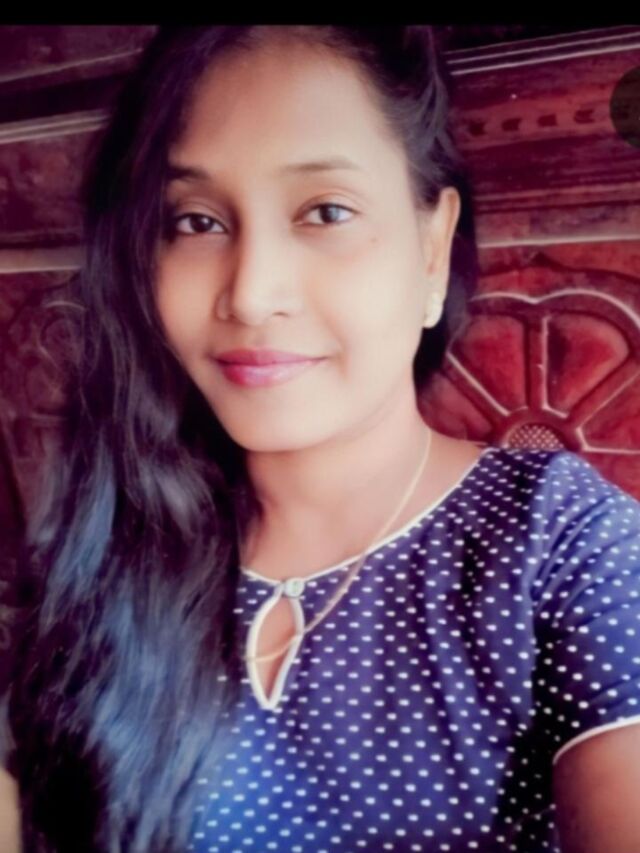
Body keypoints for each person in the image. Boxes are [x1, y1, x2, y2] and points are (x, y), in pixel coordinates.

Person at [2, 24, 640, 853]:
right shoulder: (117, 535)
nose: (251, 293)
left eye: (326, 211)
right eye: (196, 221)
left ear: (432, 249)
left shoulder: (560, 543)